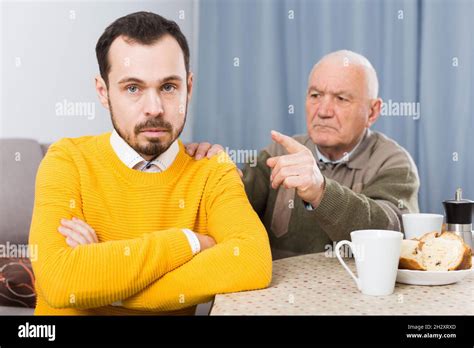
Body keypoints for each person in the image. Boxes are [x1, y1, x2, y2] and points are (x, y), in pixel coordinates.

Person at [29, 11, 272, 315]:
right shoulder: (66, 161)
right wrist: (190, 242)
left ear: (189, 88)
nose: (154, 109)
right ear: (103, 92)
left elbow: (252, 260)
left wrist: (104, 283)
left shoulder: (213, 169)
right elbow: (61, 280)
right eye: (133, 88)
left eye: (169, 87)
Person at [186, 50, 420, 259]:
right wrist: (212, 170)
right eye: (315, 95)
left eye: (341, 99)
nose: (324, 111)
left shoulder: (393, 163)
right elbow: (234, 204)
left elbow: (391, 233)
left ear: (372, 111)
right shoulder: (278, 151)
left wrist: (321, 192)